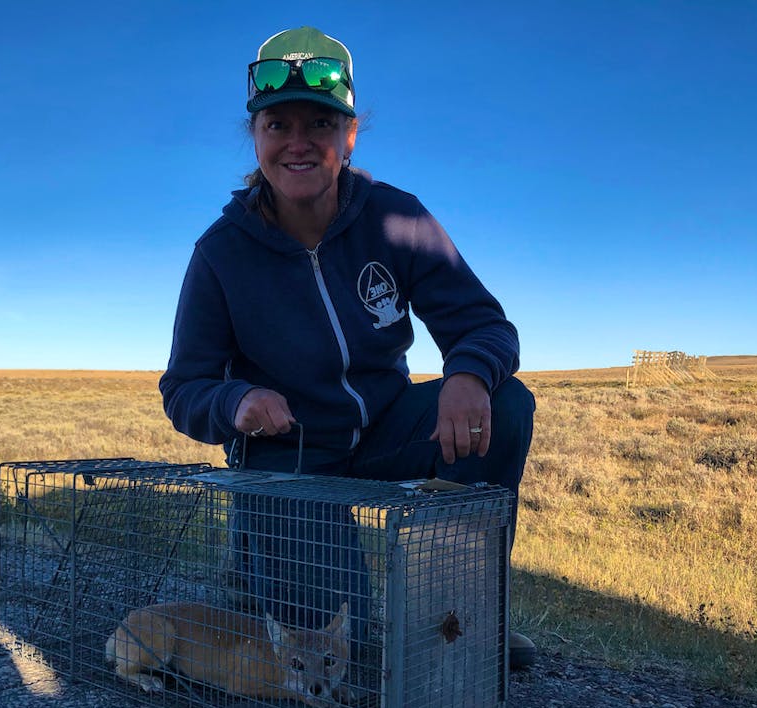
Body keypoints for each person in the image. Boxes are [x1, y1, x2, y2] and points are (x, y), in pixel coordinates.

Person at [159, 26, 536, 669]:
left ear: (349, 134)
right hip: (291, 459)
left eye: (320, 123)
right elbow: (184, 389)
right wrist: (236, 399)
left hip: (387, 429)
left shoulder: (397, 218)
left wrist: (467, 375)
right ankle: (258, 569)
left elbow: (486, 326)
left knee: (506, 402)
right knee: (345, 657)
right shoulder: (220, 252)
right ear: (256, 137)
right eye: (278, 124)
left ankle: (462, 613)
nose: (299, 142)